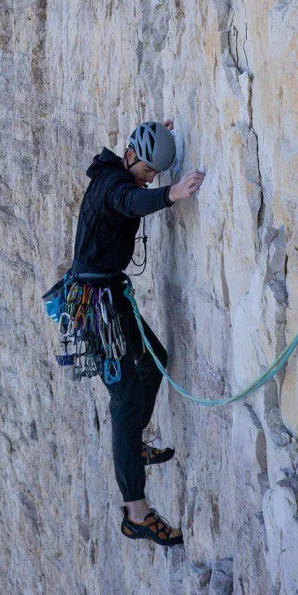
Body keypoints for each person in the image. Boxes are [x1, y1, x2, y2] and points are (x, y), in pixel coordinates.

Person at [70, 119, 205, 547]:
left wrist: (157, 138)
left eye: (154, 174)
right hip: (96, 304)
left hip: (107, 295)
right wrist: (171, 194)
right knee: (125, 398)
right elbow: (129, 201)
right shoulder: (112, 184)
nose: (148, 179)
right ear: (129, 156)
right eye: (147, 170)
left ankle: (134, 444)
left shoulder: (118, 172)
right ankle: (136, 513)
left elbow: (134, 190)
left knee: (155, 360)